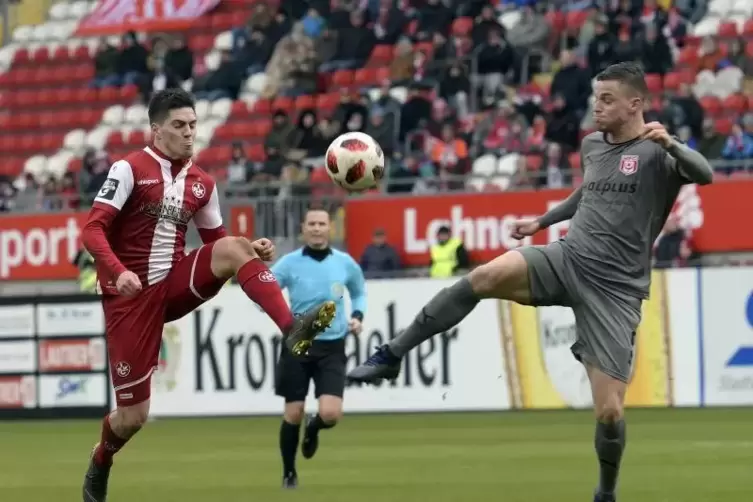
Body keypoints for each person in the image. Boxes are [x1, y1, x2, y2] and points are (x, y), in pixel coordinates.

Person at [347, 62, 714, 502]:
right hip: (568, 257)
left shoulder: (658, 153)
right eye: (596, 97)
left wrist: (671, 142)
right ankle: (393, 353)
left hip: (616, 290)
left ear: (636, 104)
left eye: (607, 99)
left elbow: (705, 174)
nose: (596, 106)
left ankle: (606, 491)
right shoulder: (593, 145)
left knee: (611, 413)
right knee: (483, 276)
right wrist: (543, 220)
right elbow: (588, 191)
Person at [80, 88, 337, 502]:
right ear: (156, 129)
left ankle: (293, 330)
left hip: (174, 284)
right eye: (179, 126)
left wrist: (252, 251)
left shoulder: (202, 182)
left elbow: (220, 242)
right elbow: (92, 229)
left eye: (193, 126)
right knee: (133, 418)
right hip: (130, 298)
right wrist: (119, 271)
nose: (188, 134)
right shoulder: (128, 169)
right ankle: (101, 459)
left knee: (236, 246)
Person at [272, 208, 366, 489]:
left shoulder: (345, 263)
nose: (316, 228)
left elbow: (359, 291)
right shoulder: (288, 263)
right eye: (311, 224)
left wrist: (358, 316)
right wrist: (282, 317)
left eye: (321, 224)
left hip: (333, 346)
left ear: (330, 228)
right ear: (304, 228)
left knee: (330, 414)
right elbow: (264, 290)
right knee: (293, 412)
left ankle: (314, 429)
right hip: (297, 344)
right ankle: (289, 472)